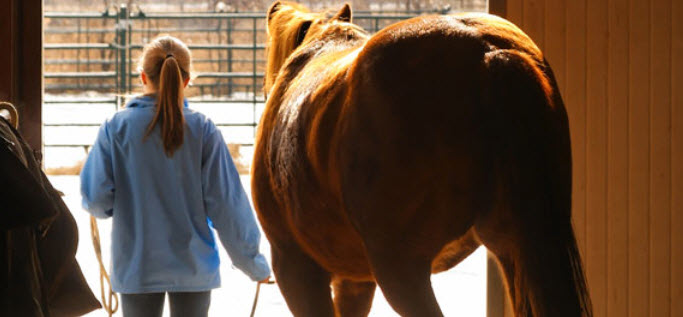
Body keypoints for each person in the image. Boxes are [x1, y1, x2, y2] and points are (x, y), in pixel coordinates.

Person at [80, 35, 271, 317]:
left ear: (143, 76)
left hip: (137, 267)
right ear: (186, 80)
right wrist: (253, 264)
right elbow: (227, 205)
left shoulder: (115, 128)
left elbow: (95, 199)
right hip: (194, 268)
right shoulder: (203, 130)